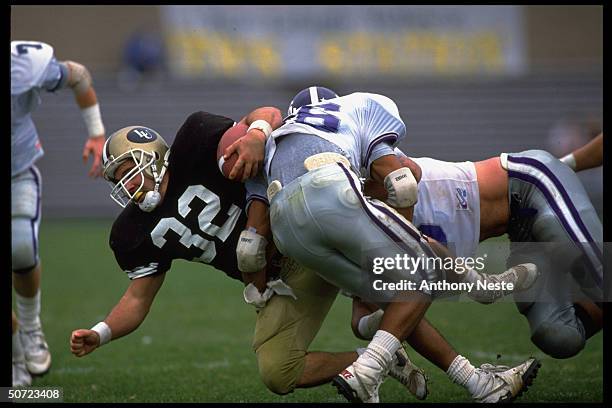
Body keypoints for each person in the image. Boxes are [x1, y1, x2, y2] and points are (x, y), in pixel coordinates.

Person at [67, 108, 430, 401]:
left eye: (131, 169)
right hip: (280, 280)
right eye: (118, 179)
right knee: (278, 373)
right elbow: (137, 298)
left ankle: (468, 373)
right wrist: (101, 333)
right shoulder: (131, 233)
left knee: (401, 287)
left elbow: (269, 115)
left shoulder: (195, 140)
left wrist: (256, 133)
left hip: (303, 232)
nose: (127, 184)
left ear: (155, 155)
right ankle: (376, 361)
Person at [261, 90, 540, 402]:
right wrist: (408, 239)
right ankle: (370, 368)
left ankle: (478, 382)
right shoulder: (357, 112)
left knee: (400, 298)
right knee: (419, 278)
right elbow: (405, 182)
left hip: (287, 227)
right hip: (329, 192)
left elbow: (365, 319)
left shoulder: (279, 137)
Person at [353, 143, 603, 360]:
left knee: (601, 278)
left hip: (528, 185)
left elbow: (409, 179)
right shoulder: (342, 222)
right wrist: (381, 316)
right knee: (559, 336)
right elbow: (360, 318)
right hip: (520, 232)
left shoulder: (376, 162)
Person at [11, 40, 107, 387]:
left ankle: (31, 326)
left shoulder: (21, 66)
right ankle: (15, 353)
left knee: (21, 247)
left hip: (17, 171)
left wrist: (96, 132)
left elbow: (78, 76)